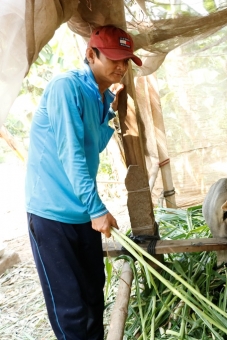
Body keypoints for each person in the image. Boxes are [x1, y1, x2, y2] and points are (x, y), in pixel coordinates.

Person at [25, 25, 142, 339]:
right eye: (114, 58)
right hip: (52, 214)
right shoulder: (67, 87)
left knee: (93, 294)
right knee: (72, 310)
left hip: (82, 213)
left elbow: (94, 143)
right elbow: (72, 152)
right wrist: (97, 208)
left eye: (126, 60)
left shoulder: (100, 95)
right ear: (91, 54)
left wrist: (112, 114)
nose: (121, 66)